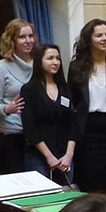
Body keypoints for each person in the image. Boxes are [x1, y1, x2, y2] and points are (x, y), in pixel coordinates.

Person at [66, 19, 106, 195]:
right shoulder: (76, 66)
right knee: (91, 181)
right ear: (89, 39)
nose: (104, 38)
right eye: (99, 35)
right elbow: (73, 100)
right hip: (88, 130)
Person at [20, 44, 77, 181]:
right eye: (50, 58)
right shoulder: (29, 89)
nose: (55, 62)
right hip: (39, 155)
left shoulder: (65, 88)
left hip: (65, 155)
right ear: (40, 61)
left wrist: (69, 155)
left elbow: (73, 123)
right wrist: (49, 156)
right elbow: (30, 128)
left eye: (58, 58)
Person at [0, 19, 32, 173]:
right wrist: (8, 108)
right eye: (22, 37)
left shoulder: (40, 63)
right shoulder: (0, 69)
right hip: (12, 135)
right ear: (12, 40)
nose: (28, 41)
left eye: (30, 36)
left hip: (36, 135)